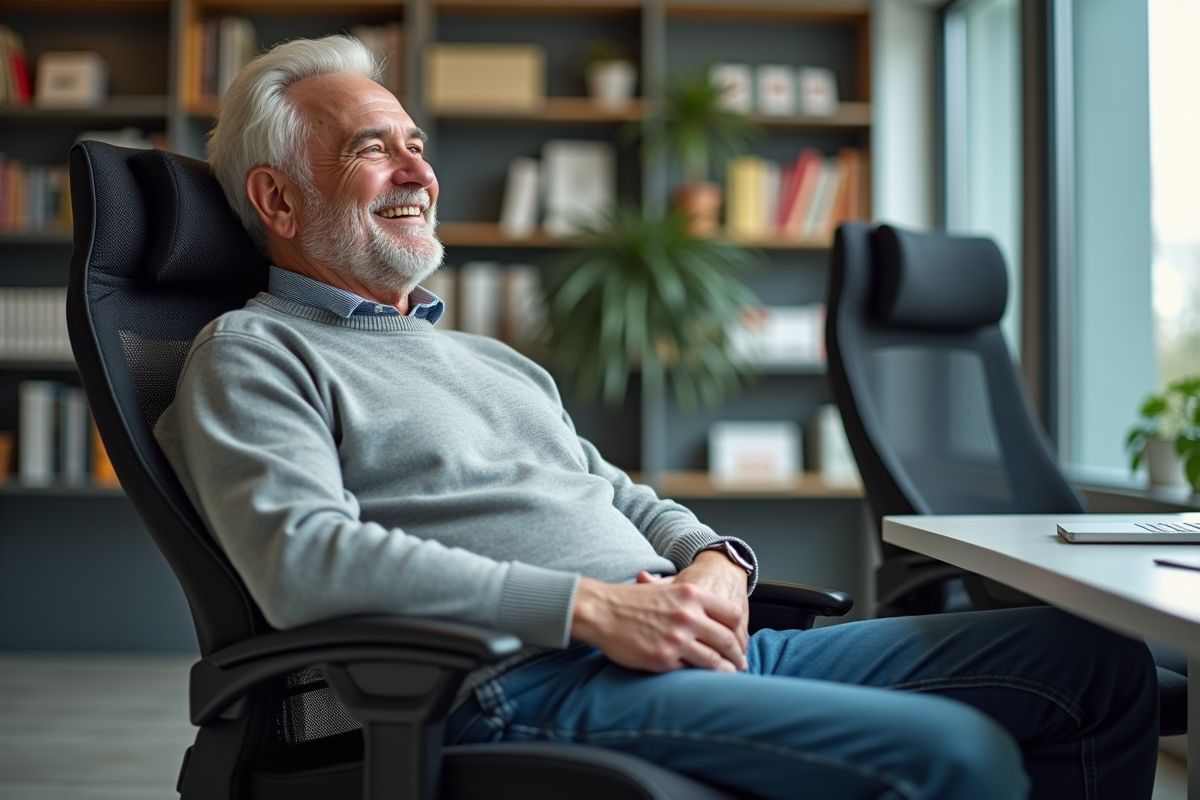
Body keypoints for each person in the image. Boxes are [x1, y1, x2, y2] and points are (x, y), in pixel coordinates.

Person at [153, 35, 1159, 800]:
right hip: (518, 683)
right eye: (375, 150)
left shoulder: (485, 356)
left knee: (1097, 663)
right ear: (277, 203)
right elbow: (303, 560)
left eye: (418, 146)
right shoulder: (254, 352)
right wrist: (591, 606)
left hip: (691, 638)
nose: (420, 172)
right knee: (959, 751)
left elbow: (616, 490)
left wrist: (720, 559)